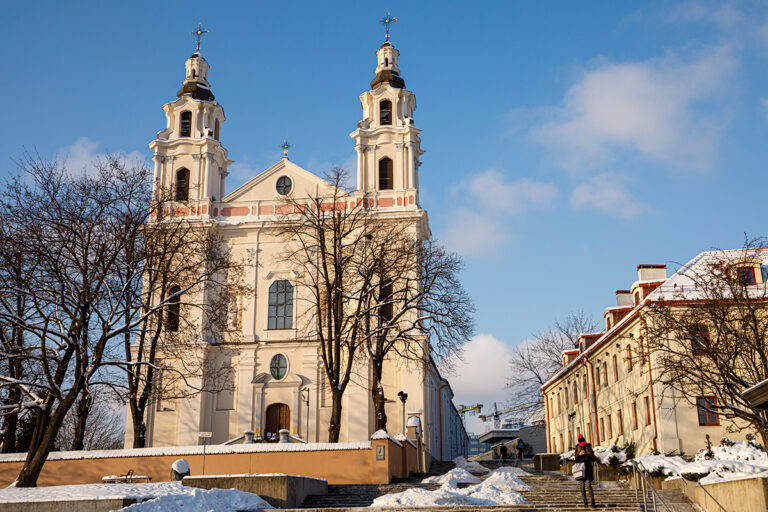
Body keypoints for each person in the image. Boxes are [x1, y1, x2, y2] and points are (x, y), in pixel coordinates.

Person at [574, 434, 597, 508]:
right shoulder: (577, 448)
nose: (582, 444)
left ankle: (592, 502)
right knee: (582, 487)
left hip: (588, 469)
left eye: (583, 443)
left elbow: (593, 457)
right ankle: (585, 503)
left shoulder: (588, 446)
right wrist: (580, 455)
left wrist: (586, 455)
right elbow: (576, 460)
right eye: (581, 443)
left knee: (588, 486)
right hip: (580, 470)